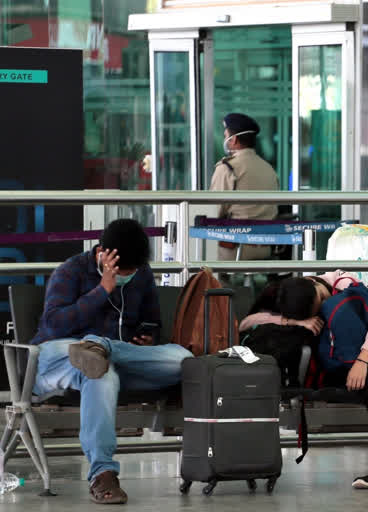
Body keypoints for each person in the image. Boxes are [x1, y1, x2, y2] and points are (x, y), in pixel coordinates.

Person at [30, 219, 193, 504]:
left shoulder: (140, 275)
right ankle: (103, 473)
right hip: (59, 359)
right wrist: (102, 290)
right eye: (123, 271)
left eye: (133, 271)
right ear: (104, 254)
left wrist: (146, 338)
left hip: (118, 359)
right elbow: (54, 325)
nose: (128, 276)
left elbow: (151, 322)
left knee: (183, 359)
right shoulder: (71, 271)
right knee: (99, 373)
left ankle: (100, 346)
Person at [240, 271, 368, 489]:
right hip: (337, 362)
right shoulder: (289, 295)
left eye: (322, 298)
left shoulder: (345, 284)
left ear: (313, 281)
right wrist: (293, 321)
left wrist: (363, 358)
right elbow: (246, 323)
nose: (325, 302)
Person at [210, 112, 279, 263]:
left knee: (201, 255)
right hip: (265, 246)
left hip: (234, 248)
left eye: (225, 135)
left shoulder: (228, 168)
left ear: (233, 139)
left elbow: (214, 211)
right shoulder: (269, 168)